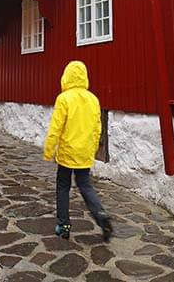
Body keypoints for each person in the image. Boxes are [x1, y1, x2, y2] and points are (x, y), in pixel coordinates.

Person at [43, 61, 112, 241]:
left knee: (63, 186)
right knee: (85, 185)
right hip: (84, 153)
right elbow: (98, 128)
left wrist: (49, 150)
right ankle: (100, 215)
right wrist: (94, 148)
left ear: (66, 77)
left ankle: (64, 226)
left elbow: (55, 128)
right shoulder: (93, 99)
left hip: (67, 153)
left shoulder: (64, 98)